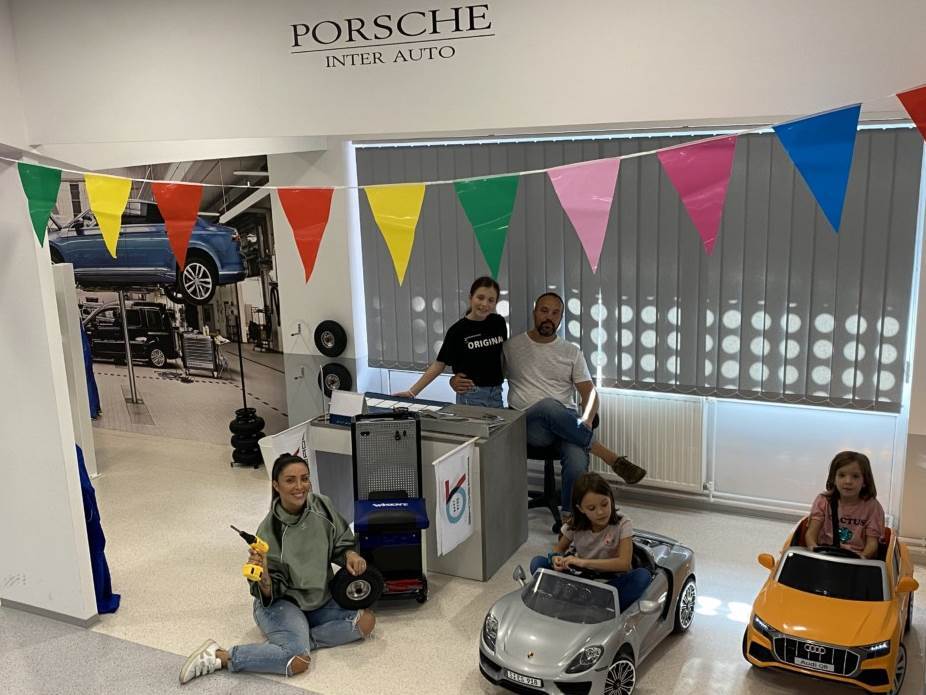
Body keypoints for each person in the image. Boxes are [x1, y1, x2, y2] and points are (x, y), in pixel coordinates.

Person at [179, 454, 375, 684]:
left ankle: (299, 642)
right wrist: (264, 579)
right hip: (282, 604)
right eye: (290, 480)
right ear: (276, 485)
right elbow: (268, 593)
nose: (300, 487)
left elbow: (341, 542)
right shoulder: (268, 531)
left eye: (304, 479)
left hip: (318, 598)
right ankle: (220, 656)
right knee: (297, 662)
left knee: (366, 622)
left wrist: (350, 554)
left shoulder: (322, 506)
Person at [454, 291, 645, 516]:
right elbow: (483, 373)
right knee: (547, 406)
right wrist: (454, 379)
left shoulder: (571, 352)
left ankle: (570, 519)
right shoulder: (511, 347)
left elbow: (590, 394)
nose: (549, 317)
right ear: (534, 313)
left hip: (566, 425)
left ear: (561, 318)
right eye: (544, 311)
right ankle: (610, 457)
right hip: (527, 426)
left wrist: (586, 420)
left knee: (577, 460)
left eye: (555, 313)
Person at [529, 472, 651, 613]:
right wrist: (555, 559)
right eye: (591, 508)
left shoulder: (623, 523)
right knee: (537, 563)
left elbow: (623, 563)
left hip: (611, 582)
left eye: (604, 504)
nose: (600, 512)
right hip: (581, 579)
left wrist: (583, 562)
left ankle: (590, 605)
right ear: (581, 509)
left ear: (611, 499)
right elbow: (558, 549)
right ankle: (588, 603)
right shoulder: (574, 524)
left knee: (642, 577)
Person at [395, 276, 507, 408]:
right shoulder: (458, 330)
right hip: (471, 395)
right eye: (480, 297)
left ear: (496, 302)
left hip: (496, 393)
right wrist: (412, 392)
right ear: (471, 297)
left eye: (491, 300)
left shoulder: (498, 323)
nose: (485, 304)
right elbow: (439, 364)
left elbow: (503, 356)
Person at [804, 450, 884, 559]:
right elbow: (810, 535)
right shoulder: (823, 501)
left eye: (855, 476)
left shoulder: (872, 507)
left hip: (857, 558)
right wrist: (815, 553)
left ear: (865, 481)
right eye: (842, 475)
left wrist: (861, 559)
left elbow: (872, 545)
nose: (848, 481)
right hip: (825, 553)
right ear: (833, 479)